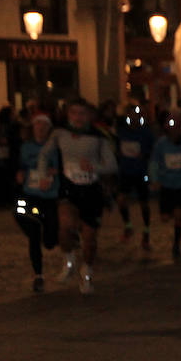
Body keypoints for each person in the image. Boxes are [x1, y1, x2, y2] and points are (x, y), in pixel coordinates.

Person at [38, 99, 117, 294]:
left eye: (82, 113)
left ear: (90, 116)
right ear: (68, 114)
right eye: (74, 113)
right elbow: (44, 155)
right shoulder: (60, 133)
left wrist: (95, 167)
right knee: (65, 226)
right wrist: (42, 175)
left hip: (91, 191)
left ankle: (87, 272)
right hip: (69, 188)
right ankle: (69, 260)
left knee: (89, 239)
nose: (78, 118)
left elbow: (113, 165)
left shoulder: (99, 137)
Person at [14, 113, 61, 292]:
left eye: (44, 125)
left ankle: (48, 236)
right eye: (37, 125)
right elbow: (21, 164)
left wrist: (54, 170)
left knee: (49, 236)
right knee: (22, 217)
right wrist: (20, 173)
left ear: (49, 128)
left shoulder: (55, 147)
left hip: (50, 195)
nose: (40, 128)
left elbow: (64, 165)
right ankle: (38, 274)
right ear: (32, 128)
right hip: (30, 193)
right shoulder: (26, 147)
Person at [115, 102, 155, 251]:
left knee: (144, 204)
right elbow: (116, 148)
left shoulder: (146, 133)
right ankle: (128, 225)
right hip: (125, 172)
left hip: (141, 172)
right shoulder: (122, 132)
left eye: (136, 115)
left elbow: (153, 151)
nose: (133, 117)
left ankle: (146, 232)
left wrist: (144, 156)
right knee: (121, 200)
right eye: (130, 114)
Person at [150, 111, 181, 254]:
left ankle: (176, 244)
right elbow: (154, 163)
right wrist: (154, 179)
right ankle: (171, 212)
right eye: (172, 123)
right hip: (166, 185)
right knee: (165, 218)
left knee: (179, 216)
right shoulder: (161, 144)